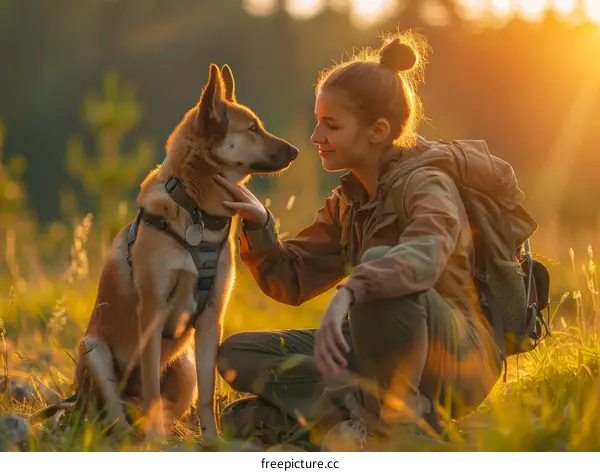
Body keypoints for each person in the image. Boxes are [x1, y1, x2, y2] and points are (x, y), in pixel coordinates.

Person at [212, 31, 505, 452]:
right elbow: (291, 279)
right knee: (237, 356)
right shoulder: (350, 200)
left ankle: (388, 430)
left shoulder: (427, 183)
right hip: (375, 354)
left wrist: (354, 287)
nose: (315, 137)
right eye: (317, 122)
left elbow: (426, 254)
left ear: (377, 131)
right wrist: (260, 224)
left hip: (455, 362)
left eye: (331, 125)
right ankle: (367, 422)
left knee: (383, 271)